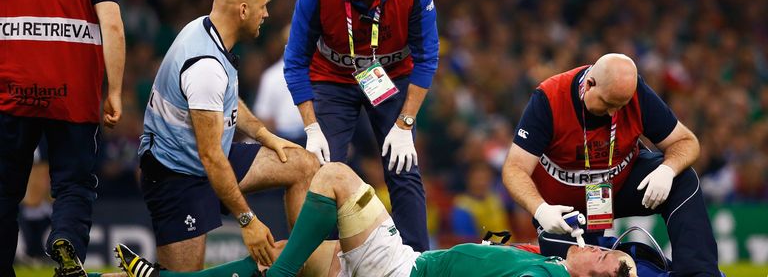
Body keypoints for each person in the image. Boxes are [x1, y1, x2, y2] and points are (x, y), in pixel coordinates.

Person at [113, 161, 636, 277]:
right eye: (606, 246)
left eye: (605, 256)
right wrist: (504, 248)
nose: (596, 246)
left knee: (335, 176)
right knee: (304, 257)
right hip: (407, 264)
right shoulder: (546, 264)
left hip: (401, 271)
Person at [137, 0, 319, 272]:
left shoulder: (206, 31)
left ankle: (301, 268)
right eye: (263, 6)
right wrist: (248, 221)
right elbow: (211, 156)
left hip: (205, 160)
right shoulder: (205, 67)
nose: (266, 13)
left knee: (303, 164)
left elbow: (225, 100)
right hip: (178, 177)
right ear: (243, 10)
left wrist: (264, 135)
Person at [284, 0, 439, 252]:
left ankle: (417, 261)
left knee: (403, 167)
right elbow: (295, 61)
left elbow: (427, 57)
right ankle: (324, 262)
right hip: (331, 79)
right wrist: (311, 127)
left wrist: (405, 123)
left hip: (389, 76)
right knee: (323, 170)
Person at [502, 53, 720, 276]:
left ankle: (699, 273)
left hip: (618, 186)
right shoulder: (549, 99)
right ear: (589, 84)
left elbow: (686, 142)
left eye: (621, 105)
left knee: (683, 179)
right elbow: (514, 168)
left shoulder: (636, 94)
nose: (613, 112)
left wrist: (668, 169)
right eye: (607, 103)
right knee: (581, 268)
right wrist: (540, 209)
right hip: (562, 209)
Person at [0, 0, 125, 277]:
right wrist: (115, 91)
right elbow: (114, 27)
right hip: (72, 99)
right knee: (74, 184)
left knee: (4, 190)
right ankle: (66, 242)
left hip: (12, 96)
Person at [253, 25, 306, 146]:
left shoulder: (315, 72)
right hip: (283, 137)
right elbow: (264, 116)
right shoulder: (271, 76)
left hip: (310, 136)